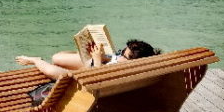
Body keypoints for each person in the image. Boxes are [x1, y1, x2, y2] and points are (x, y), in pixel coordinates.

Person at [16, 39, 159, 80]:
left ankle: (35, 60)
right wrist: (101, 56)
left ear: (134, 62)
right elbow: (114, 60)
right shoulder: (129, 66)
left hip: (88, 77)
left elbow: (96, 80)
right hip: (94, 66)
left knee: (51, 69)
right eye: (121, 51)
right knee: (56, 57)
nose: (120, 55)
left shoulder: (124, 71)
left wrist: (97, 60)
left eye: (124, 55)